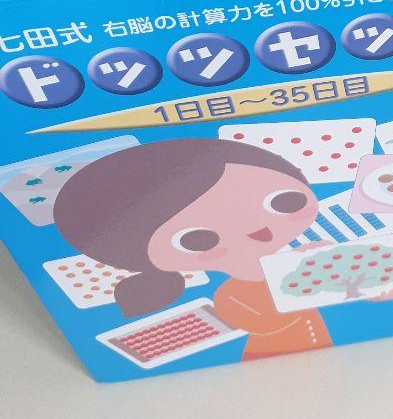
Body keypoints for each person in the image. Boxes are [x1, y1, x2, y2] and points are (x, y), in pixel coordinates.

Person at [55, 139, 359, 361]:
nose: (255, 230)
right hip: (275, 362)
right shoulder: (230, 297)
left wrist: (329, 267)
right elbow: (273, 321)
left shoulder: (299, 259)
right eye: (197, 239)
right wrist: (321, 275)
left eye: (283, 201)